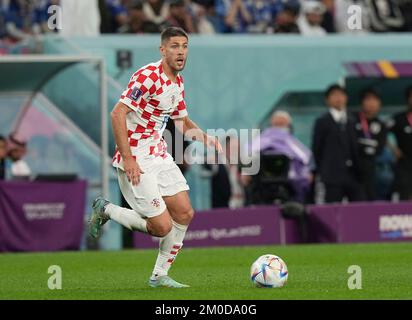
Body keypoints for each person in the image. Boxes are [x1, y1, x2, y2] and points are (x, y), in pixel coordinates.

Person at [88, 27, 222, 288]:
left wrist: (207, 138)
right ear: (163, 50)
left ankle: (159, 275)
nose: (181, 51)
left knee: (184, 213)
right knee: (161, 227)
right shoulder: (147, 76)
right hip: (135, 157)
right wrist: (128, 159)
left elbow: (181, 120)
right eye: (174, 46)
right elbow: (117, 114)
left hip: (158, 153)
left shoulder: (178, 82)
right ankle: (105, 209)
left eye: (184, 46)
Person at [312, 84, 365, 203]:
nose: (338, 98)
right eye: (334, 95)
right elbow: (317, 149)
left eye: (341, 95)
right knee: (333, 208)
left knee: (359, 207)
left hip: (353, 174)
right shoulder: (322, 121)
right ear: (327, 100)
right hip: (332, 175)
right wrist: (323, 170)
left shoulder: (353, 120)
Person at [246, 111, 312, 204]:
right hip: (262, 186)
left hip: (288, 186)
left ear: (289, 126)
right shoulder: (259, 142)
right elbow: (247, 154)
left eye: (282, 124)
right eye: (276, 124)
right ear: (271, 124)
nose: (278, 129)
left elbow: (304, 161)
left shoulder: (294, 145)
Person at [353, 89, 388, 200]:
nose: (372, 103)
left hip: (370, 168)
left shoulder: (381, 124)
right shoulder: (351, 119)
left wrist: (366, 147)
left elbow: (380, 147)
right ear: (362, 102)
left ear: (379, 104)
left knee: (370, 197)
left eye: (375, 100)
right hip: (351, 169)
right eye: (368, 99)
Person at [387, 85, 412, 200]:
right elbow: (382, 133)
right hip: (404, 163)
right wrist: (393, 149)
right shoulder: (398, 118)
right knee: (405, 194)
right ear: (408, 99)